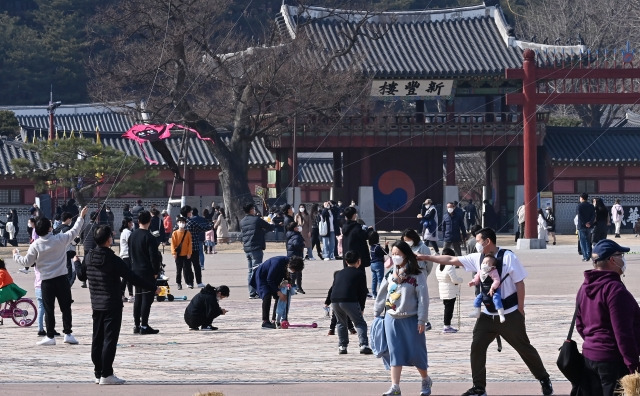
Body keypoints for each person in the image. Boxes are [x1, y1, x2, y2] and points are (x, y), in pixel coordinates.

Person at [419, 227, 553, 396]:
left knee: (524, 347)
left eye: (478, 241)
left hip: (509, 313)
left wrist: (520, 309)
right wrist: (426, 257)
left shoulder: (508, 257)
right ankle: (479, 387)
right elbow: (452, 259)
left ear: (487, 241)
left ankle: (544, 378)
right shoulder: (478, 258)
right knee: (477, 347)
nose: (476, 244)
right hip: (487, 315)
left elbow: (520, 283)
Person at [75, 225, 158, 385]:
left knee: (97, 339)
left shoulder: (89, 257)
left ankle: (98, 372)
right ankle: (107, 374)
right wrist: (153, 287)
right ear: (108, 240)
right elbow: (132, 278)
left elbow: (80, 276)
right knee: (109, 340)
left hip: (96, 305)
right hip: (112, 304)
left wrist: (77, 263)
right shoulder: (113, 259)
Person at [14, 206, 89, 346]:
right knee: (65, 307)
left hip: (46, 282)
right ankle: (68, 333)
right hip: (62, 279)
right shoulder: (59, 239)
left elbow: (26, 262)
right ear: (49, 228)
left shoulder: (35, 245)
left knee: (49, 309)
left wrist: (15, 255)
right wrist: (81, 216)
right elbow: (75, 231)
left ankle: (50, 336)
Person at [576, 239, 640, 396]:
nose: (623, 259)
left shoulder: (584, 287)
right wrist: (633, 367)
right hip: (612, 361)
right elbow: (622, 333)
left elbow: (579, 325)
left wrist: (594, 343)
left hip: (589, 357)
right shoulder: (615, 290)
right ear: (612, 260)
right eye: (621, 255)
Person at [373, 241, 432, 396]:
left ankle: (425, 379)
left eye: (398, 254)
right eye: (393, 254)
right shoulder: (390, 274)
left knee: (417, 352)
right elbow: (382, 293)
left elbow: (423, 299)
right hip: (391, 319)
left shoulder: (417, 275)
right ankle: (395, 387)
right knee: (395, 352)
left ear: (406, 254)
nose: (395, 257)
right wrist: (377, 311)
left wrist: (422, 319)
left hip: (411, 319)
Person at [330, 251, 373, 355]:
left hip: (335, 299)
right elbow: (363, 292)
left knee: (341, 322)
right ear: (359, 261)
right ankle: (363, 345)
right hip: (349, 300)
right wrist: (362, 307)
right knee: (359, 322)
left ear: (346, 261)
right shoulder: (360, 274)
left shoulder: (339, 273)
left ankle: (342, 346)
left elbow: (333, 288)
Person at [128, 210, 162, 335]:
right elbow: (154, 257)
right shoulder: (150, 237)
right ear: (150, 221)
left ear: (138, 221)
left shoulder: (133, 235)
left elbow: (130, 253)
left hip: (135, 270)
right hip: (147, 272)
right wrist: (155, 271)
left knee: (138, 297)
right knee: (146, 299)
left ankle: (136, 324)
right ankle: (144, 325)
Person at [249, 255, 304, 329]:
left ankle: (274, 320)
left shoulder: (287, 263)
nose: (293, 272)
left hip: (272, 278)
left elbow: (286, 276)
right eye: (293, 270)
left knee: (279, 297)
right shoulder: (277, 263)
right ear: (291, 265)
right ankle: (265, 321)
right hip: (262, 277)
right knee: (267, 295)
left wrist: (288, 284)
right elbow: (269, 279)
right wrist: (278, 292)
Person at [240, 203, 274, 299]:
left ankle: (251, 292)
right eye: (254, 209)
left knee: (250, 271)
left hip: (247, 248)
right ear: (251, 210)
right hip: (256, 248)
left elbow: (256, 231)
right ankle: (257, 291)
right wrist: (271, 222)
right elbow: (270, 227)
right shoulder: (256, 220)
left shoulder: (242, 221)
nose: (255, 211)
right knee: (257, 271)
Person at [469, 254, 506, 323]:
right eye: (483, 263)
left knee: (496, 299)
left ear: (492, 266)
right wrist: (473, 282)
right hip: (484, 291)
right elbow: (476, 278)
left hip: (494, 290)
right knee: (477, 299)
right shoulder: (480, 271)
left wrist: (492, 288)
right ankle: (477, 312)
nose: (484, 264)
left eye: (487, 263)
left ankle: (501, 314)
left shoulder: (493, 272)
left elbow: (497, 281)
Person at [435, 247, 463, 333]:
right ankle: (447, 326)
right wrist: (460, 280)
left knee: (447, 308)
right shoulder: (450, 267)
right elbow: (454, 280)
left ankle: (447, 325)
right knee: (449, 309)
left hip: (443, 290)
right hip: (450, 291)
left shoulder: (439, 266)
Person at [180, 205, 209, 286]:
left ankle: (189, 282)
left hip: (184, 248)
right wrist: (211, 225)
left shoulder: (180, 223)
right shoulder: (191, 222)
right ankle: (199, 282)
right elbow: (203, 228)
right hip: (194, 246)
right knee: (196, 265)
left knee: (186, 266)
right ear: (188, 213)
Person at [341, 206, 371, 271]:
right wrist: (369, 230)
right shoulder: (356, 227)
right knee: (359, 276)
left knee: (348, 274)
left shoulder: (344, 226)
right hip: (356, 258)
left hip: (347, 256)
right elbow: (365, 236)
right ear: (354, 215)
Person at [171, 216, 193, 291]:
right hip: (178, 254)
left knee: (186, 269)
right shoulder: (175, 233)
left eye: (183, 222)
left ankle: (188, 282)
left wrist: (189, 252)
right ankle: (178, 283)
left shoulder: (188, 233)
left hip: (186, 254)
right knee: (179, 270)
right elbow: (173, 244)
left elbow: (190, 243)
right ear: (177, 223)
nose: (182, 224)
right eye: (180, 222)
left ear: (185, 223)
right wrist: (174, 253)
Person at [285, 221, 306, 294]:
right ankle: (294, 287)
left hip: (291, 255)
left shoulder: (290, 234)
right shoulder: (296, 236)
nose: (299, 227)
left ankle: (296, 287)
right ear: (294, 228)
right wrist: (302, 245)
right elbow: (296, 244)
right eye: (297, 226)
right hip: (296, 256)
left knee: (293, 273)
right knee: (296, 273)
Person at [119, 218, 135, 303]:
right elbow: (132, 244)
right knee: (128, 276)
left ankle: (122, 294)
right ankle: (131, 295)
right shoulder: (128, 232)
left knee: (125, 277)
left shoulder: (124, 232)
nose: (132, 224)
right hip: (127, 256)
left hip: (125, 256)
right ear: (129, 223)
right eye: (131, 222)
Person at [368, 231, 388, 299]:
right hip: (378, 264)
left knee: (374, 280)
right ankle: (381, 294)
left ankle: (374, 294)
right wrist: (386, 246)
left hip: (372, 264)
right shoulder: (378, 247)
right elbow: (386, 252)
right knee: (380, 280)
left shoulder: (371, 247)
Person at [577, 192, 596, 262]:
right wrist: (589, 223)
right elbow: (593, 215)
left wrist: (585, 223)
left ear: (581, 198)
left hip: (581, 226)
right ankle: (589, 254)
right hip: (589, 226)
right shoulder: (591, 206)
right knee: (588, 241)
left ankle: (585, 256)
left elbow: (580, 215)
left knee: (582, 241)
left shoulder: (579, 206)